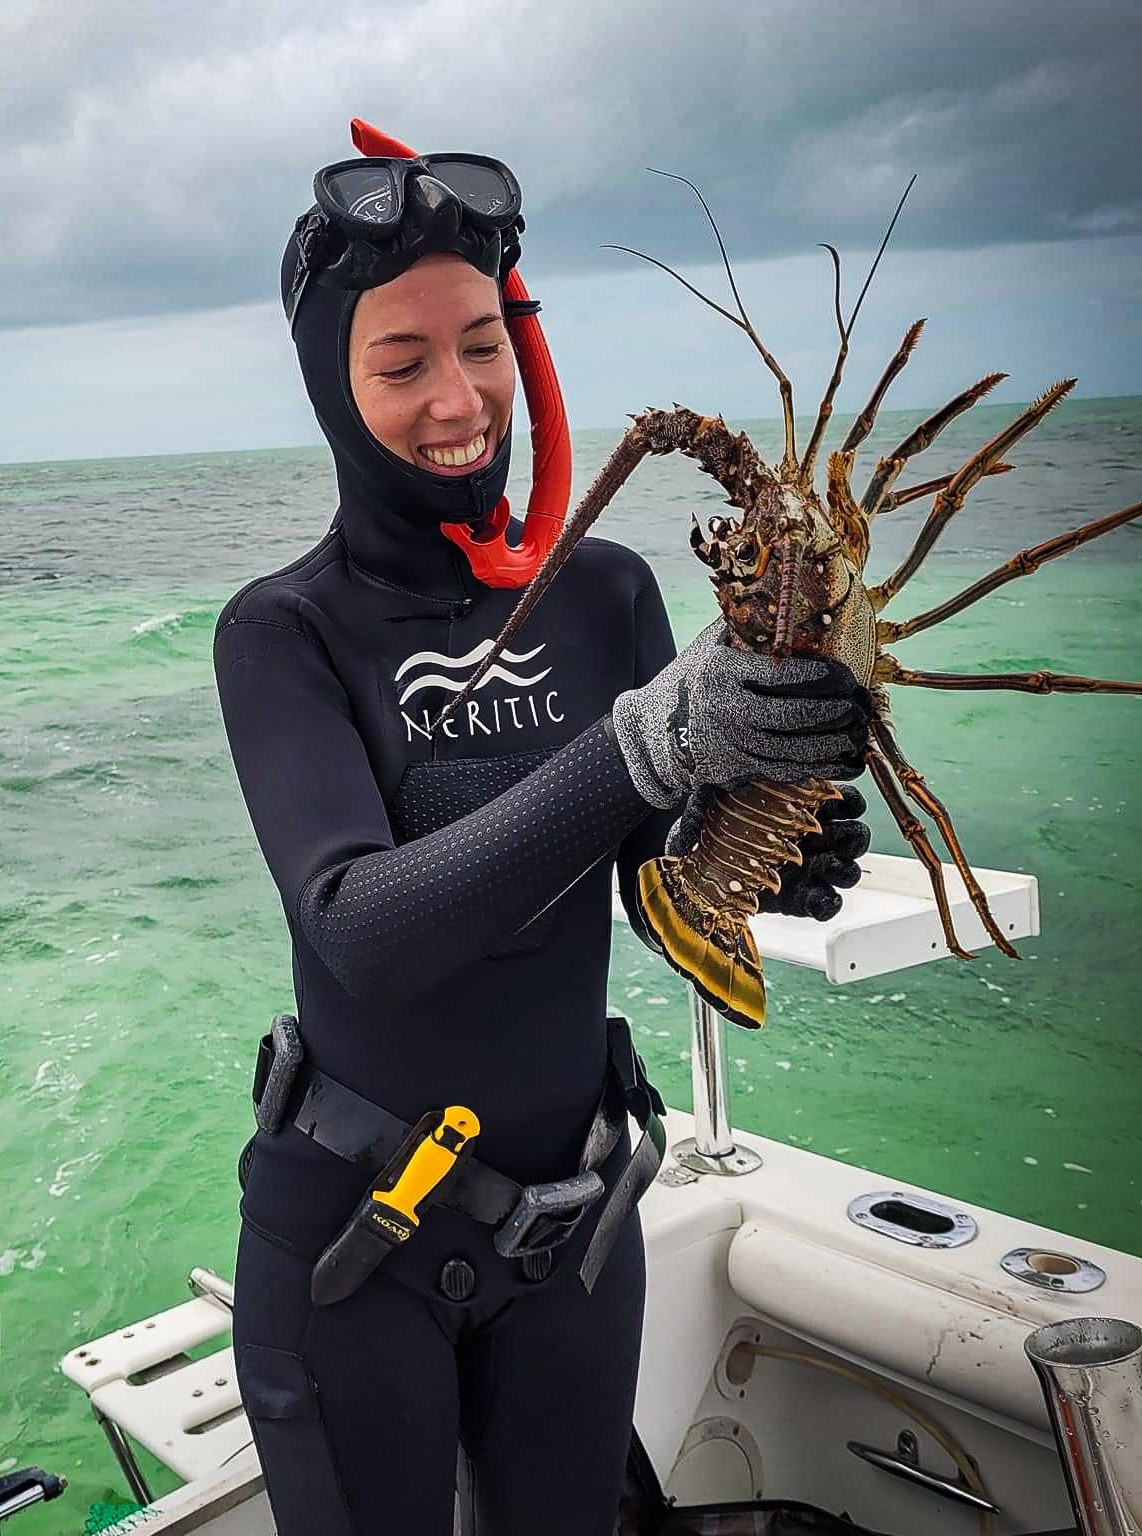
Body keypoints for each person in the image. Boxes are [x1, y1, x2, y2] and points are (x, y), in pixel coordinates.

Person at [213, 151, 870, 1536]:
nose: (459, 401)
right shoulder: (284, 632)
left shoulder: (611, 593)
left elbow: (651, 880)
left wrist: (762, 836)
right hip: (352, 1250)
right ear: (335, 387)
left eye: (484, 344)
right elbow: (360, 930)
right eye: (400, 366)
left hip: (576, 1230)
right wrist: (645, 747)